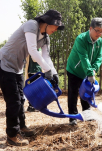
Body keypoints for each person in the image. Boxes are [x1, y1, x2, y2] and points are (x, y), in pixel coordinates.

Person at [0, 9, 63, 146]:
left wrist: (54, 72)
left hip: (17, 68)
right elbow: (33, 51)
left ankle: (21, 126)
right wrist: (46, 70)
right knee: (14, 101)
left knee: (21, 99)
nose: (56, 29)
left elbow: (46, 57)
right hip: (4, 63)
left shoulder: (46, 38)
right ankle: (11, 135)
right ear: (47, 22)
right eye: (56, 25)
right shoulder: (31, 25)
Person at [66, 18, 102, 125]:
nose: (99, 33)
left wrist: (93, 70)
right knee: (73, 93)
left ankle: (87, 115)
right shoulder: (81, 39)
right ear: (90, 28)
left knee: (87, 93)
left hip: (87, 71)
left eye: (101, 31)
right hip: (74, 70)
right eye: (97, 30)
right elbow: (83, 58)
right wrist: (89, 72)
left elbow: (99, 58)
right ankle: (73, 117)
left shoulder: (100, 42)